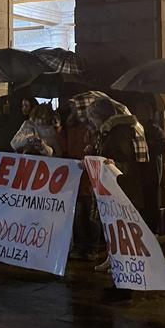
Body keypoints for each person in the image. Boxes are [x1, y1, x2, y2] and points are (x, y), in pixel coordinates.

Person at [86, 97, 145, 301]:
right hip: (118, 191)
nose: (91, 123)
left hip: (121, 193)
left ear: (99, 116)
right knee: (117, 236)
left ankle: (124, 286)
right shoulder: (113, 132)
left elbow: (125, 165)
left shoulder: (118, 133)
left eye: (91, 118)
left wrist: (110, 163)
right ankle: (120, 281)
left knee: (121, 237)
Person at [60, 100, 99, 261]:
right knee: (77, 215)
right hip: (75, 175)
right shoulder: (69, 127)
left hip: (88, 178)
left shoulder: (93, 129)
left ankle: (92, 248)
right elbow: (65, 147)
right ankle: (80, 246)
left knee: (90, 215)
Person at [133, 100, 165, 235]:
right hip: (137, 171)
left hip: (151, 170)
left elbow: (162, 147)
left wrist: (147, 144)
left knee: (151, 201)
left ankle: (152, 229)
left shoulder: (155, 129)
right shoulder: (133, 129)